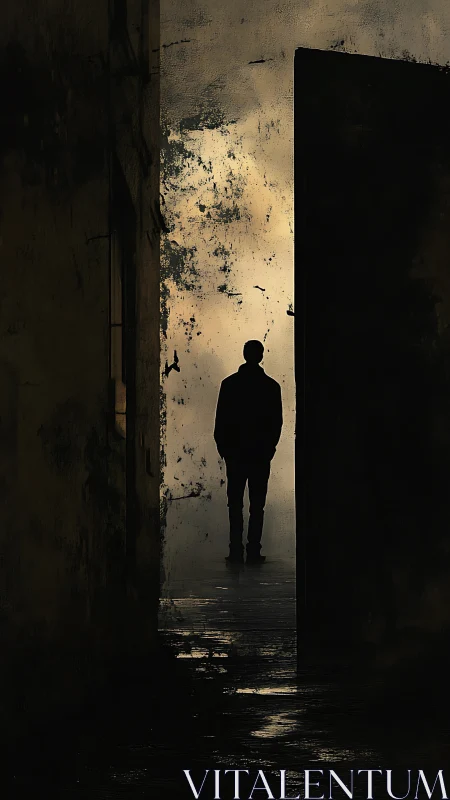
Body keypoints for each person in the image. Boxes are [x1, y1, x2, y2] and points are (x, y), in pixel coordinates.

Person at [214, 340, 283, 564]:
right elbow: (276, 423)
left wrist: (224, 448)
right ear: (261, 356)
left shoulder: (230, 384)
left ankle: (236, 550)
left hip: (236, 453)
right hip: (259, 454)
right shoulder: (271, 387)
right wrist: (269, 448)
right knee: (257, 505)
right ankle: (253, 550)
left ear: (244, 354)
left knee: (235, 503)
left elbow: (221, 420)